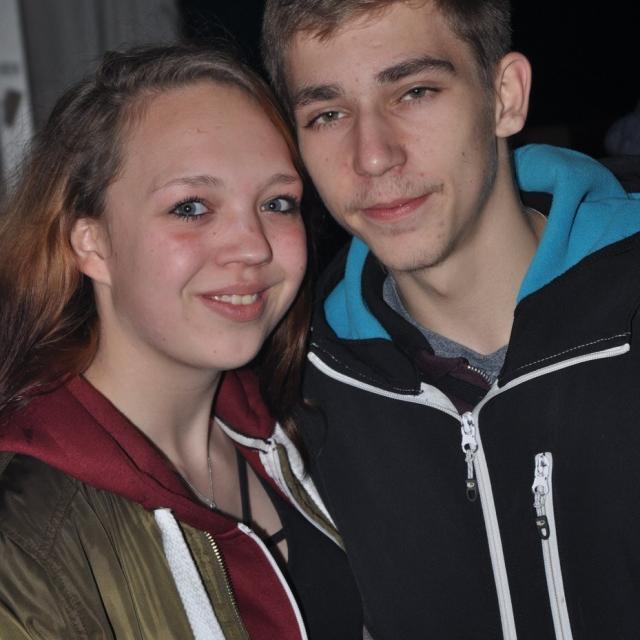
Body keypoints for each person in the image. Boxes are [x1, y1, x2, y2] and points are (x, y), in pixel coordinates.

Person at [260, 1, 640, 638]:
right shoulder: (303, 408)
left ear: (504, 97)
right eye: (327, 114)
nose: (373, 156)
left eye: (414, 92)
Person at [0, 44, 362, 639]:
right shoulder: (25, 535)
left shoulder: (304, 433)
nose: (253, 246)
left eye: (277, 203)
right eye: (191, 207)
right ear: (91, 243)